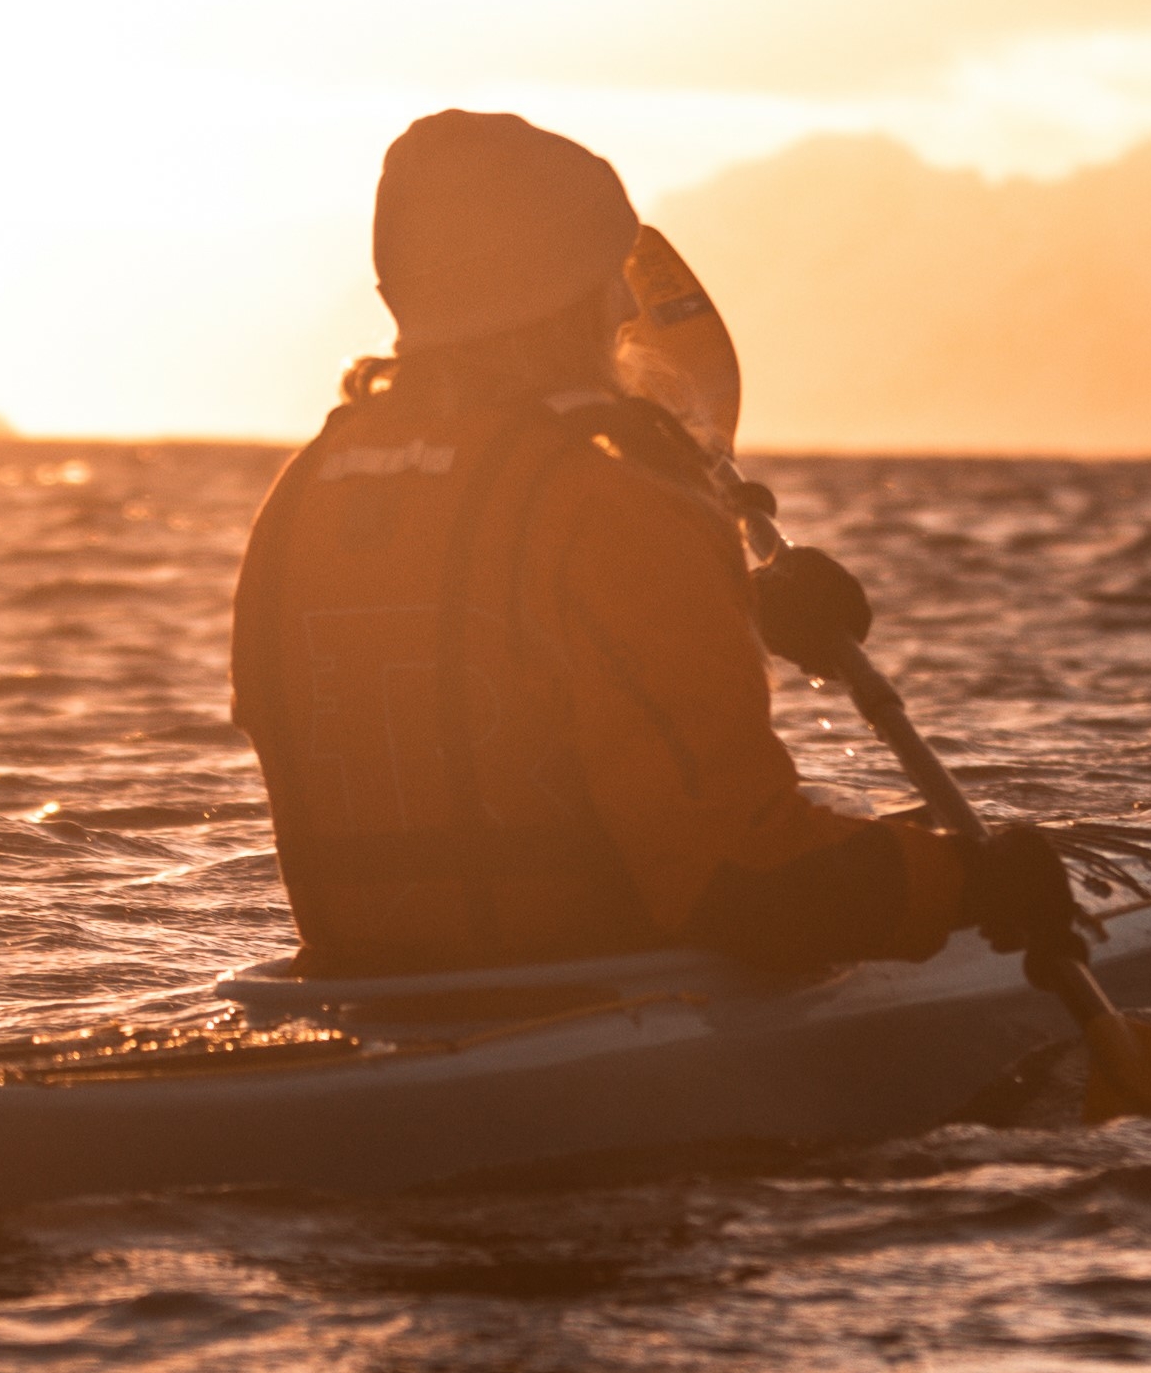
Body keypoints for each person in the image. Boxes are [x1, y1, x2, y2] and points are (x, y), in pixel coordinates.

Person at [232, 111, 1082, 985]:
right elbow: (746, 884)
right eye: (608, 274)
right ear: (559, 295)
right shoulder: (609, 500)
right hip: (585, 979)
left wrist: (740, 611)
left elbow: (474, 646)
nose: (631, 305)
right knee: (877, 835)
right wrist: (974, 884)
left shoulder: (304, 492)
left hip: (358, 979)